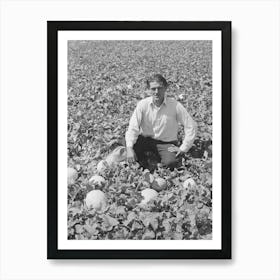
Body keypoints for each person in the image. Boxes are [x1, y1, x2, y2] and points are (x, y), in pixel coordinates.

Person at [125, 74, 196, 170]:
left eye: (160, 88)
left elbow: (191, 126)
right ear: (149, 89)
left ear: (166, 88)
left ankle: (152, 163)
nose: (156, 92)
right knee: (127, 152)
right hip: (145, 140)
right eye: (153, 89)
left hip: (166, 143)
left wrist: (184, 148)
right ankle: (148, 160)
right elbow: (133, 127)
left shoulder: (175, 106)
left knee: (170, 163)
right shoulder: (142, 105)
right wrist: (129, 148)